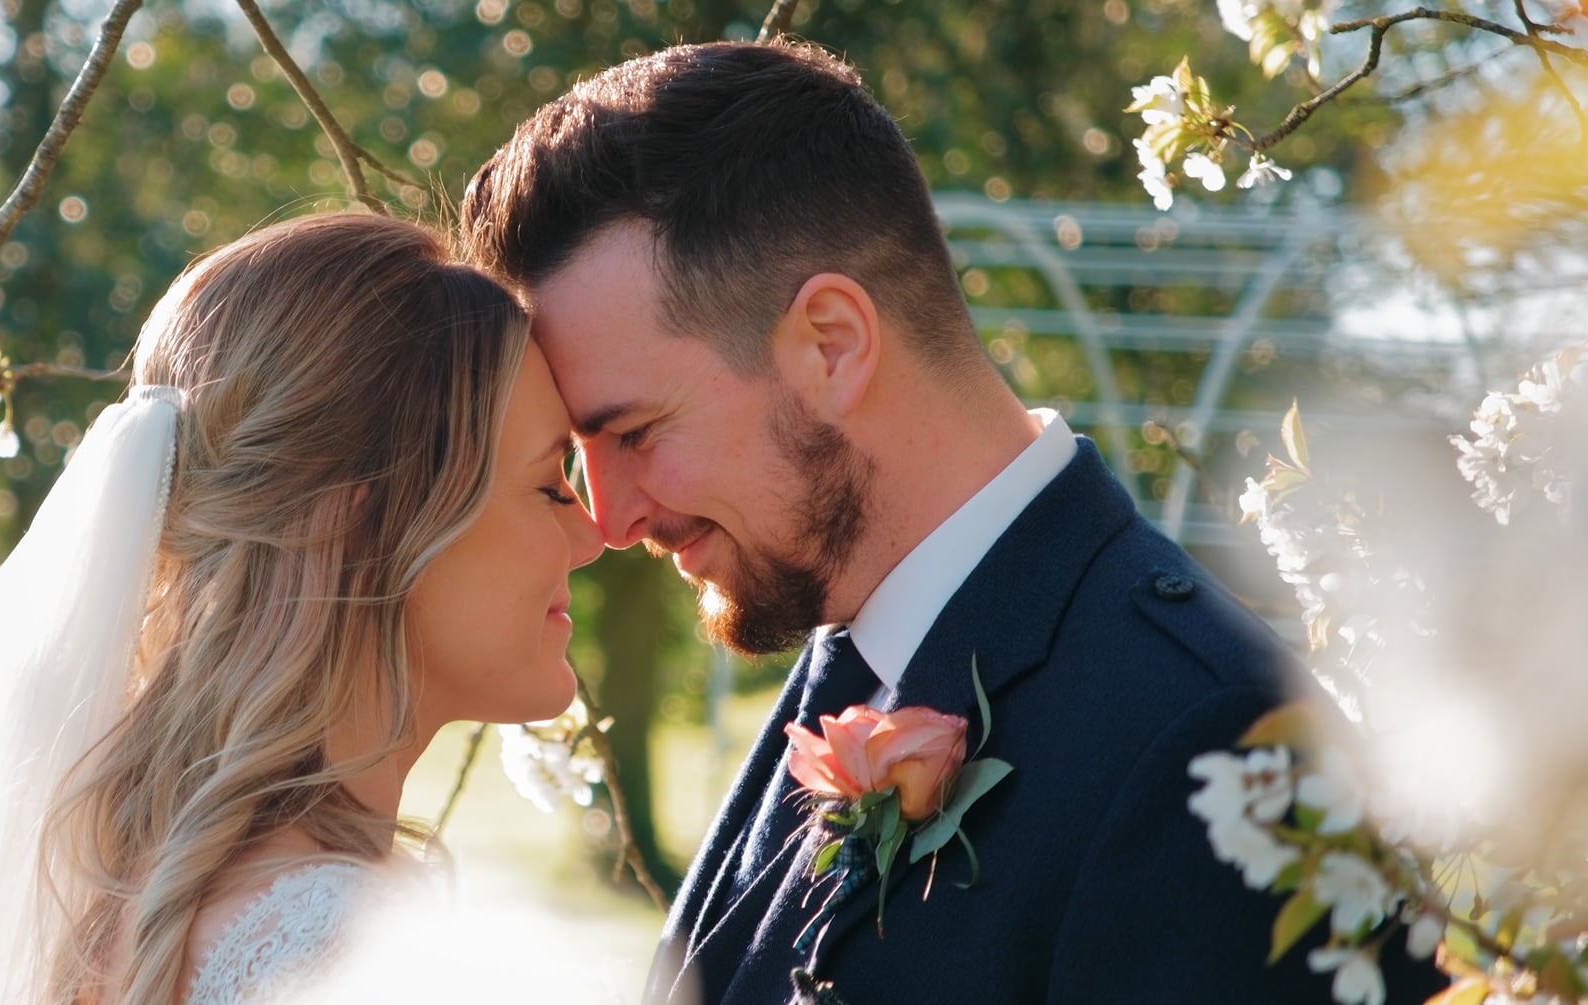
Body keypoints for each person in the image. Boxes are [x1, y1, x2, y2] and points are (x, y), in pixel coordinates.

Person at [460, 40, 1444, 1005]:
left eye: (633, 432)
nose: (609, 518)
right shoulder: (852, 656)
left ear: (831, 344)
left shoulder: (1213, 752)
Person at [0, 212, 602, 1004]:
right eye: (547, 484)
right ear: (356, 523)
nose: (592, 536)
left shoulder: (126, 900)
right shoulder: (338, 951)